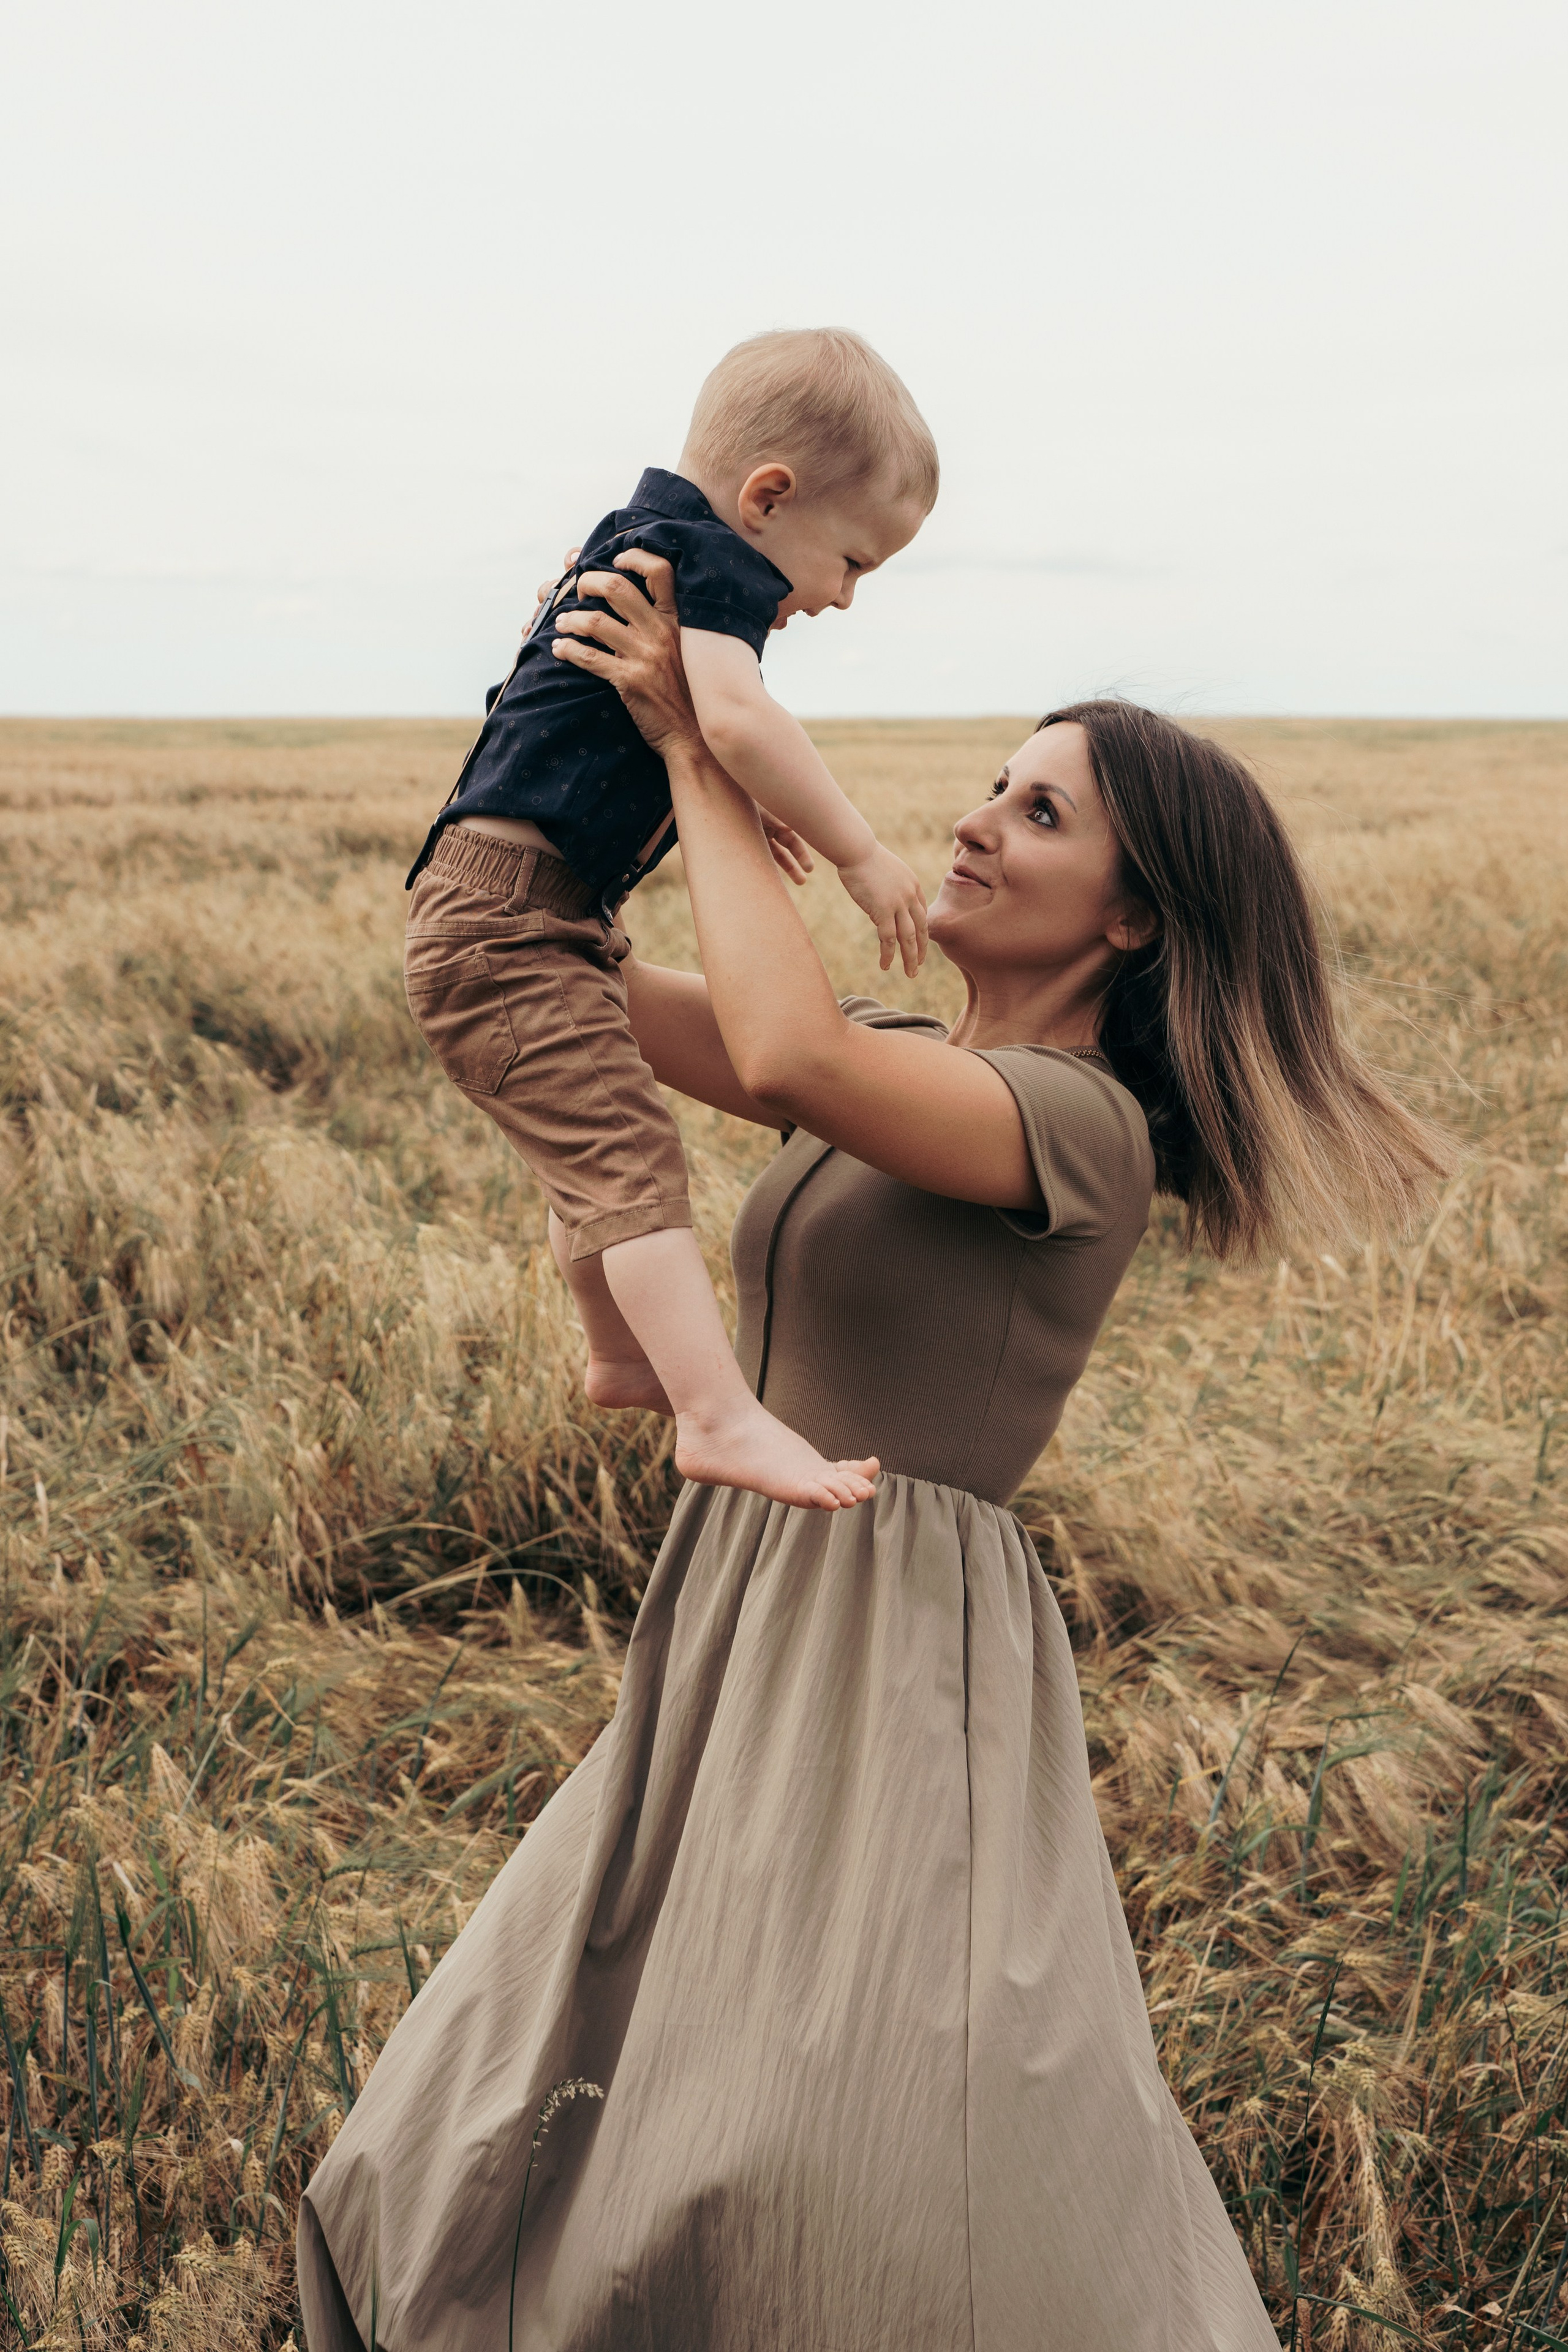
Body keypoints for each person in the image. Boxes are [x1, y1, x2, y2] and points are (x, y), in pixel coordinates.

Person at [297, 558, 1449, 2351]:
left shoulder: (1079, 1129)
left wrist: (709, 756)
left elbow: (779, 1039)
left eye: (1041, 810)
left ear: (1134, 922)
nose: (979, 824)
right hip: (757, 1580)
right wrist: (558, 749)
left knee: (878, 2104)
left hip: (897, 1621)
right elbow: (578, 991)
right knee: (616, 2022)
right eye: (997, 783)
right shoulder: (908, 1056)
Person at [403, 328, 936, 1515]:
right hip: (510, 925)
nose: (842, 596)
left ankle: (622, 1354)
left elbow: (659, 728)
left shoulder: (634, 539)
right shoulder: (710, 561)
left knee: (590, 1145)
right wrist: (857, 849)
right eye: (850, 558)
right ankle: (713, 1413)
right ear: (768, 498)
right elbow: (736, 719)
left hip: (522, 913)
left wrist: (742, 807)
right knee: (624, 1159)